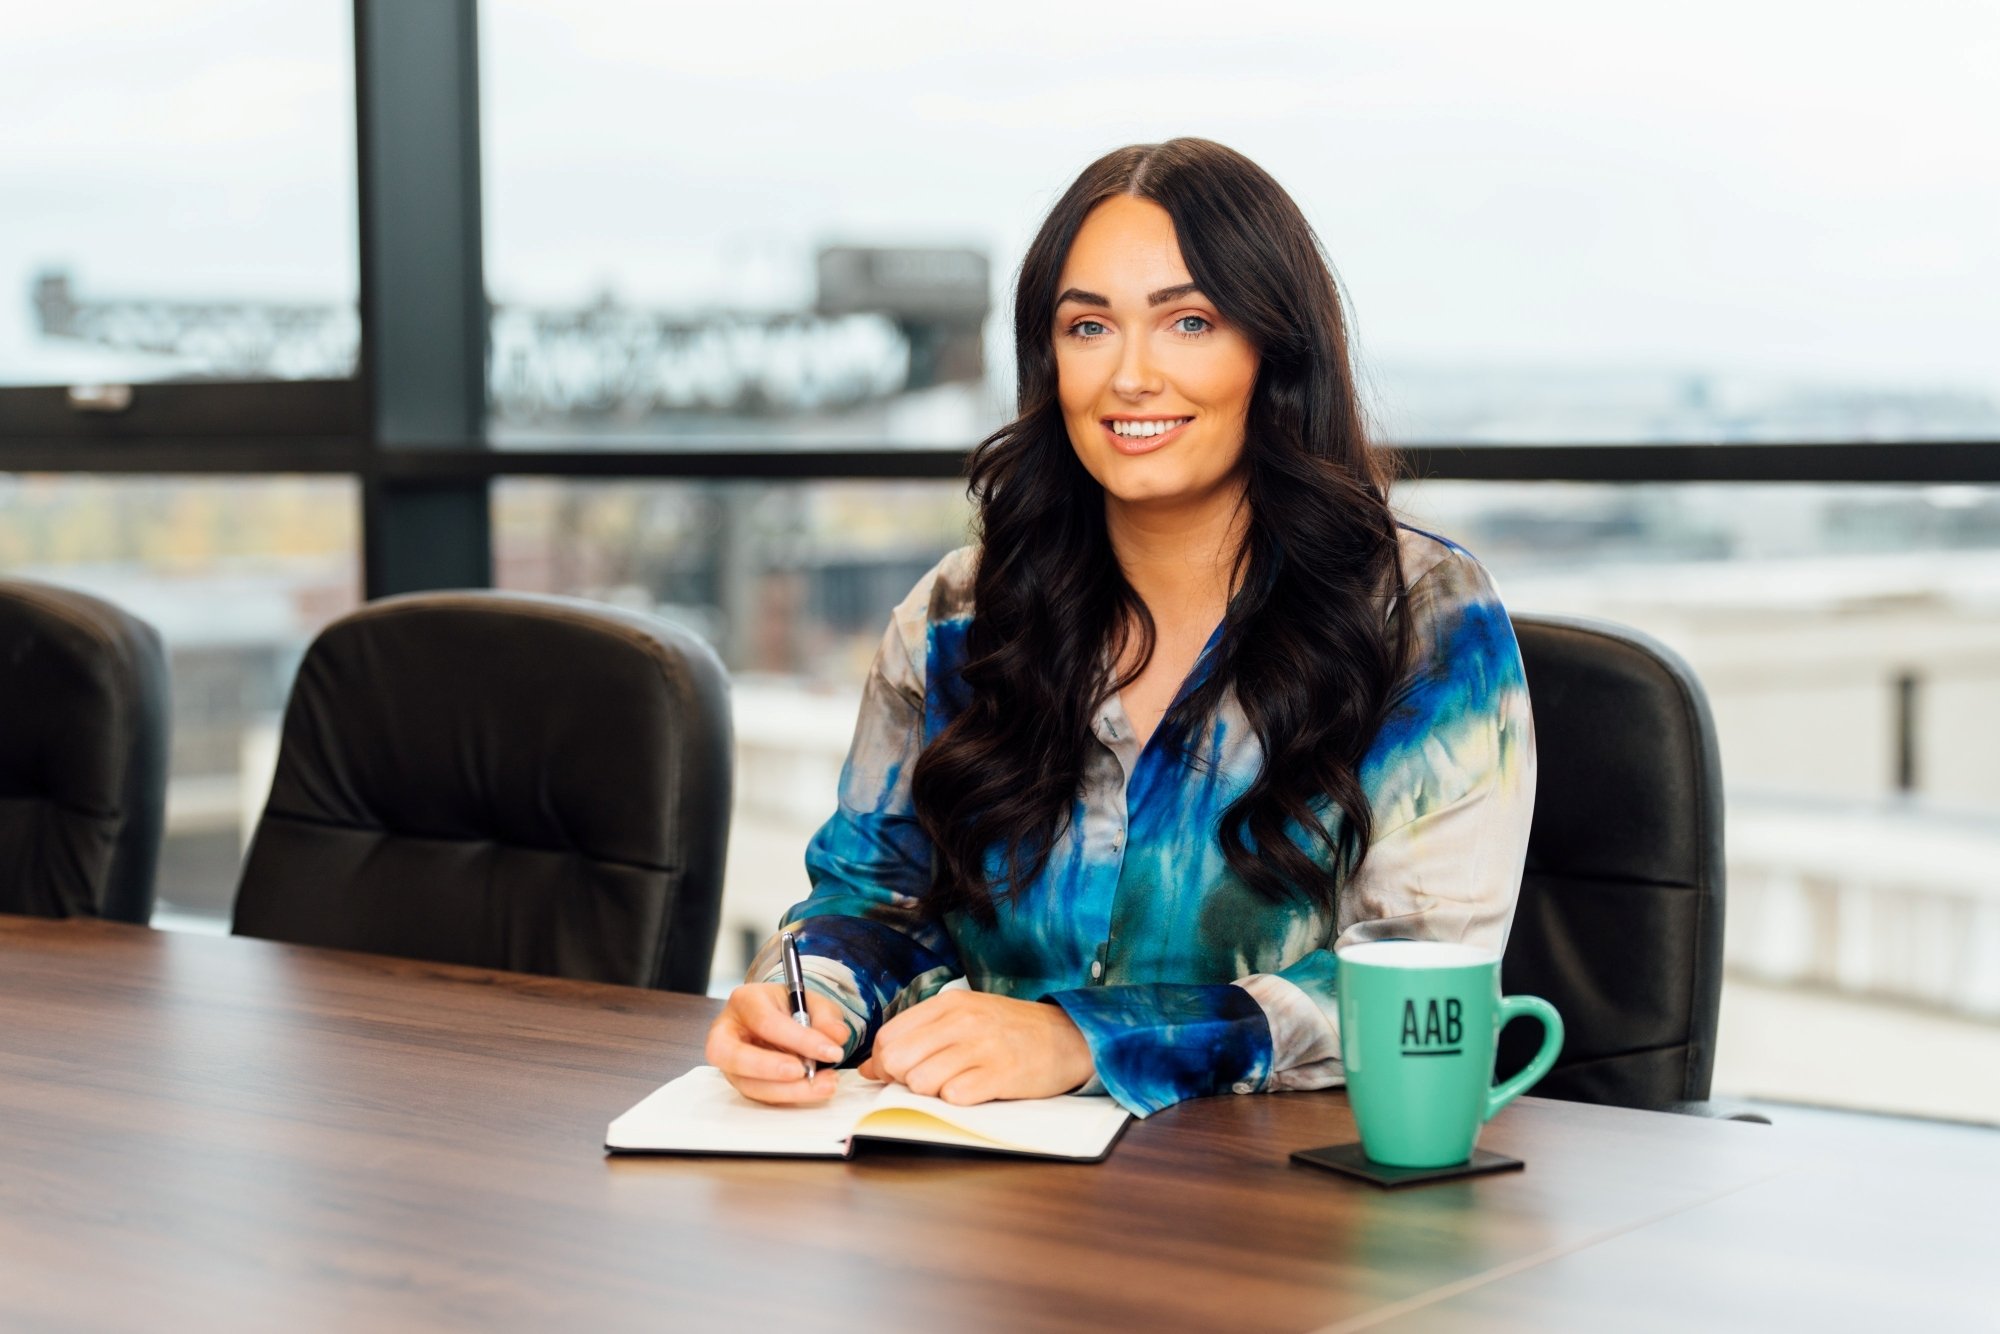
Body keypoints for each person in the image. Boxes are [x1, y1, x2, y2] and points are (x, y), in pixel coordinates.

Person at [705, 138, 1536, 1117]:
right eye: (1088, 325)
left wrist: (1079, 1035)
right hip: (998, 1196)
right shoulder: (956, 622)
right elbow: (875, 902)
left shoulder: (1422, 621)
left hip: (1288, 1218)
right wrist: (803, 1003)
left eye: (1187, 321)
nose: (1130, 375)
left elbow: (1418, 983)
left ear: (1270, 353)